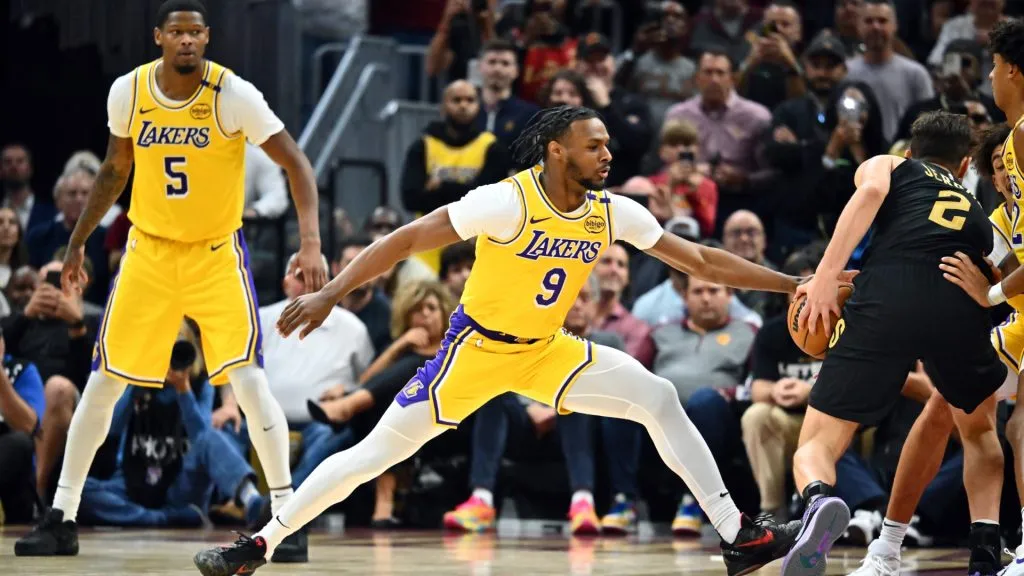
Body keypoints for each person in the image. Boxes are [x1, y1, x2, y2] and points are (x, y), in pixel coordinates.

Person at [193, 105, 846, 576]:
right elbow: (407, 239)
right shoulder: (507, 202)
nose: (609, 156)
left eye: (610, 146)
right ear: (558, 151)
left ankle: (740, 538)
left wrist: (793, 281)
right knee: (371, 456)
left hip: (546, 349)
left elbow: (702, 262)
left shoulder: (611, 211)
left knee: (656, 396)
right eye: (595, 147)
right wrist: (333, 290)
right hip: (472, 350)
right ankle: (261, 543)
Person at [13, 0, 328, 564]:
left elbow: (297, 163)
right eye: (177, 31)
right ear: (158, 36)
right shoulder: (128, 91)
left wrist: (309, 243)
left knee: (251, 382)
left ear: (207, 38)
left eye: (196, 32)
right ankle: (61, 515)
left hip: (214, 256)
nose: (187, 40)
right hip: (149, 255)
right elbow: (115, 169)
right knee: (105, 381)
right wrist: (79, 240)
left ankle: (287, 518)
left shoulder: (233, 94)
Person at [781, 111, 1007, 576]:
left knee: (818, 442)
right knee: (980, 432)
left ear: (910, 151)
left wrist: (826, 275)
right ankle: (985, 548)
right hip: (958, 307)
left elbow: (869, 193)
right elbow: (996, 277)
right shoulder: (981, 214)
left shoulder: (891, 164)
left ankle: (819, 500)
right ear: (965, 166)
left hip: (888, 297)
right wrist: (985, 295)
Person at [846, 124, 1016, 576]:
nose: (1006, 176)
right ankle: (898, 544)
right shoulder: (990, 220)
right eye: (998, 168)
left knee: (1011, 423)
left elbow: (999, 289)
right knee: (948, 406)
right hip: (1014, 328)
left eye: (1011, 165)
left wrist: (994, 292)